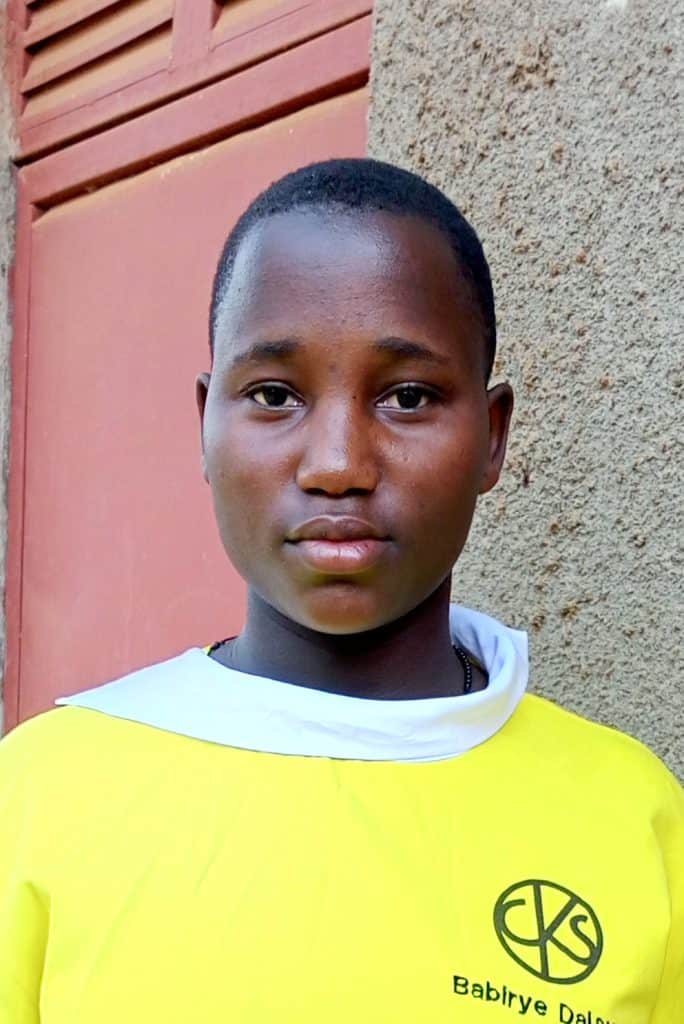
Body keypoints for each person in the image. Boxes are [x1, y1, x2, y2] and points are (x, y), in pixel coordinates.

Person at [0, 159, 681, 1023]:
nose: (336, 465)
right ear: (206, 429)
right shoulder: (41, 792)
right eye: (275, 395)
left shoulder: (635, 814)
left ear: (492, 438)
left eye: (406, 397)